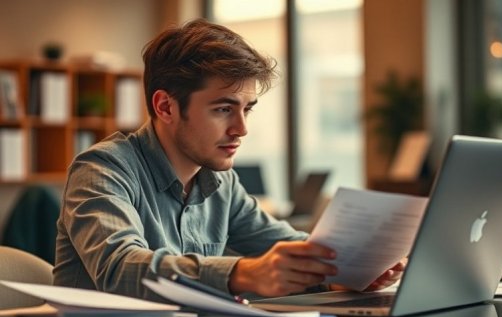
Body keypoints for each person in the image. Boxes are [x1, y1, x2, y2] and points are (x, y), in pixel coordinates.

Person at [53, 19, 404, 301]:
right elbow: (119, 268)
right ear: (166, 106)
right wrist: (244, 272)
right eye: (223, 109)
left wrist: (348, 270)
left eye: (246, 109)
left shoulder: (221, 183)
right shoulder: (102, 169)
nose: (241, 129)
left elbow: (284, 246)